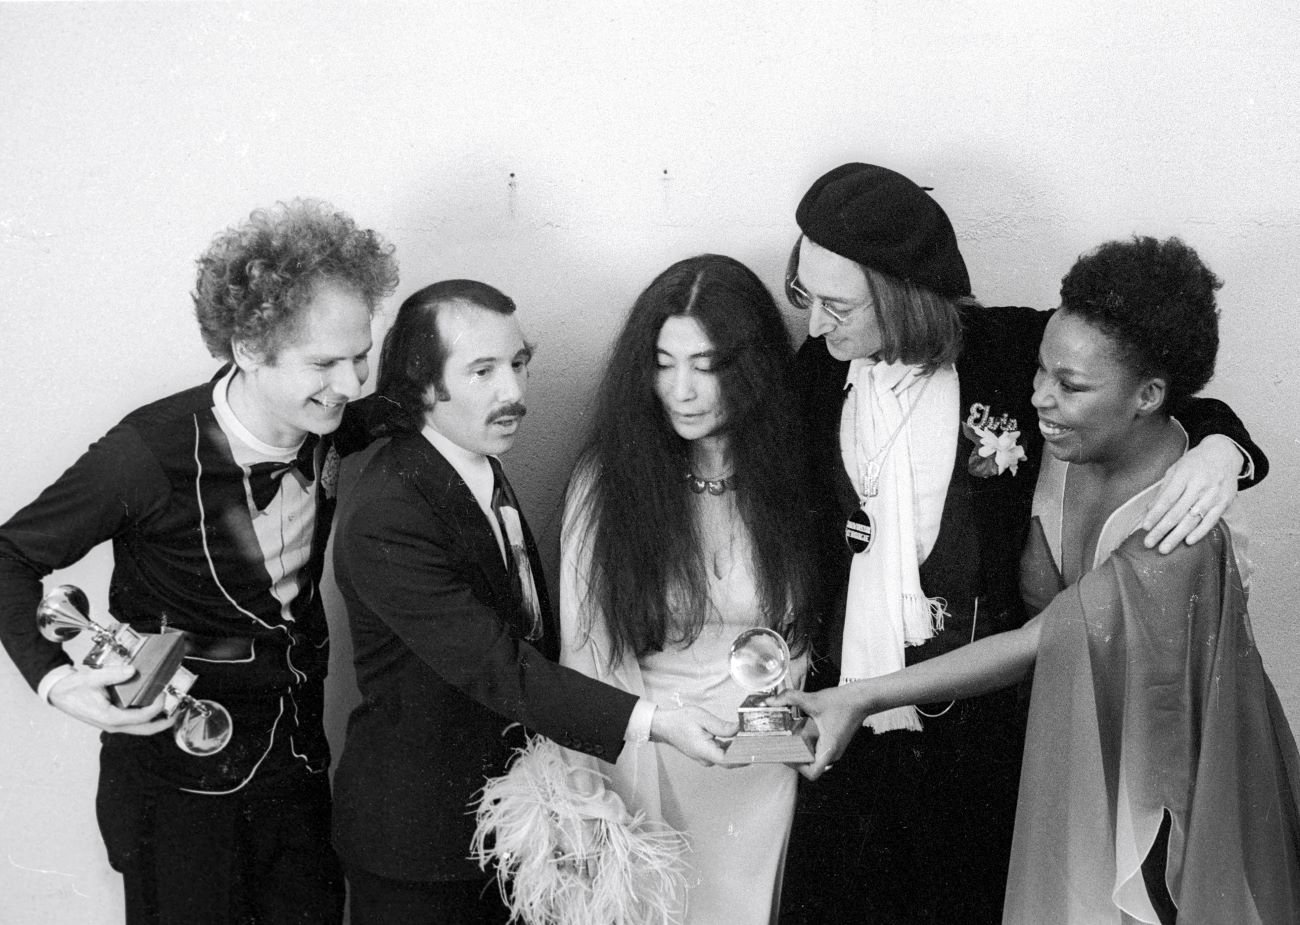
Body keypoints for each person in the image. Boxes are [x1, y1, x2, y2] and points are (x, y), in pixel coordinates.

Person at [777, 164, 1269, 924]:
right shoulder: (817, 372)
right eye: (806, 298)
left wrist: (1225, 449)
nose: (815, 325)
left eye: (838, 305)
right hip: (849, 722)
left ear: (902, 293)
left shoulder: (1010, 354)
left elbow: (1148, 386)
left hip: (982, 739)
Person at [0, 200, 400, 924]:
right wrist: (55, 681)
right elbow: (6, 555)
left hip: (299, 783)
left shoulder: (334, 423)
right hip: (176, 800)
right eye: (324, 363)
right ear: (248, 348)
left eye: (360, 354)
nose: (352, 383)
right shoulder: (145, 453)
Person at [329, 279, 738, 925]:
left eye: (519, 363)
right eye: (483, 370)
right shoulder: (388, 510)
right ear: (422, 382)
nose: (514, 393)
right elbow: (497, 666)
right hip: (420, 849)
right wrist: (656, 720)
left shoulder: (467, 453)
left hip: (504, 830)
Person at [558, 255, 821, 924]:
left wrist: (768, 739)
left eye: (706, 365)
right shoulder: (607, 484)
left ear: (752, 366)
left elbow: (803, 646)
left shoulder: (797, 476)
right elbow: (586, 655)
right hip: (648, 767)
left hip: (765, 767)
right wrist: (594, 801)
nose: (682, 389)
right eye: (664, 362)